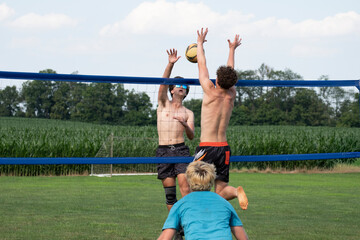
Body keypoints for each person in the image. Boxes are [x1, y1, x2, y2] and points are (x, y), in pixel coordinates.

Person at [193, 28, 248, 210]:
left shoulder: (210, 90)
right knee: (221, 189)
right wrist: (232, 50)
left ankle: (195, 213)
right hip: (223, 147)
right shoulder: (231, 94)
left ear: (216, 80)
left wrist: (200, 44)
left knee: (192, 182)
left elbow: (202, 64)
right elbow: (230, 72)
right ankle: (235, 191)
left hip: (207, 147)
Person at [157, 161, 248, 240]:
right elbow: (243, 237)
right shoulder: (225, 204)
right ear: (212, 180)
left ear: (189, 181)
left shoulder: (180, 205)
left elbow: (165, 237)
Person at [156, 48, 195, 214]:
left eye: (185, 86)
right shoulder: (163, 103)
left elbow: (192, 136)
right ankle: (177, 229)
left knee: (185, 187)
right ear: (172, 90)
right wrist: (170, 64)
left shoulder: (188, 113)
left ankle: (189, 220)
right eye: (178, 85)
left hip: (180, 150)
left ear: (185, 92)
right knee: (170, 195)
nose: (182, 87)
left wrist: (185, 124)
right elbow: (163, 82)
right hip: (163, 151)